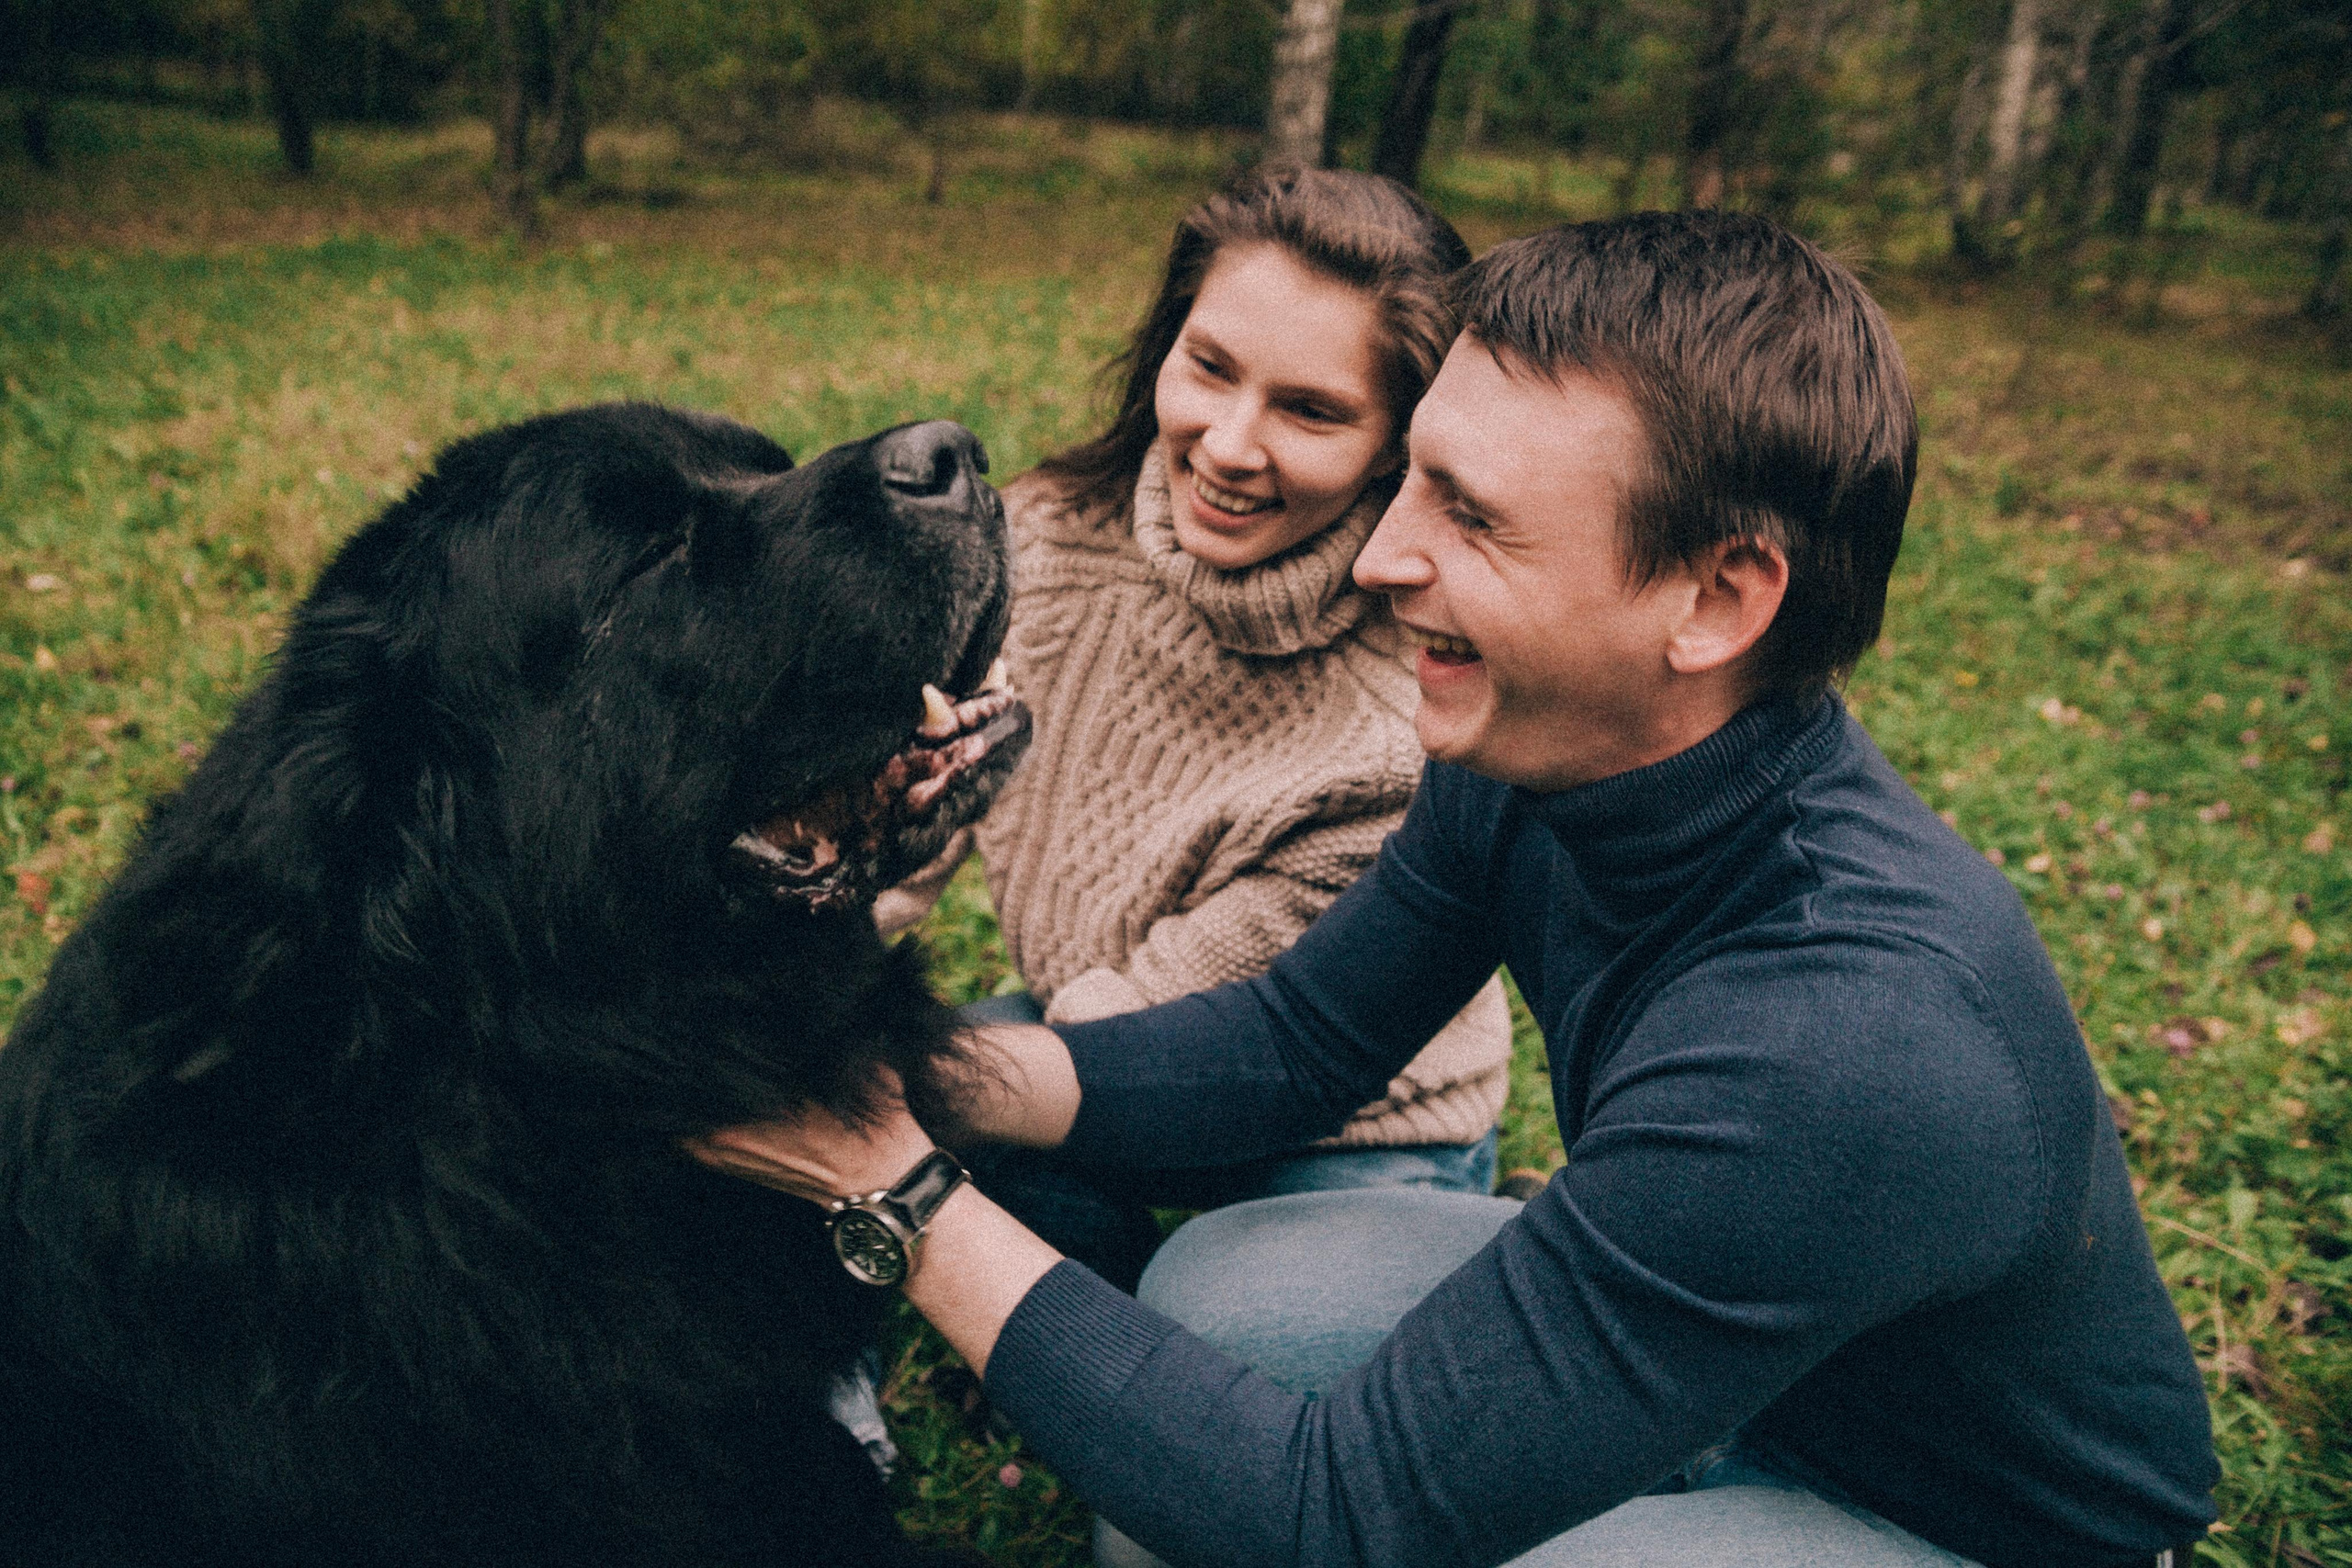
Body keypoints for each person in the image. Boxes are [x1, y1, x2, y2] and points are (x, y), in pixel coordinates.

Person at [695, 211, 2220, 1568]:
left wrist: (886, 1174)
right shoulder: (1542, 756)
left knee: (1277, 1509)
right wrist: (921, 1074)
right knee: (1221, 1287)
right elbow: (1291, 1047)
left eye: (1472, 517)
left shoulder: (1843, 1044)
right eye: (1412, 478)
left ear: (1717, 597)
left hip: (1943, 1513)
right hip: (1758, 1361)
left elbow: (1328, 1513)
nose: (1384, 558)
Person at [872, 163, 1514, 1292]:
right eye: (1208, 369)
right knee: (886, 1137)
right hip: (1084, 1038)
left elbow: (1181, 1029)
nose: (1227, 443)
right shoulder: (1050, 539)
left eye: (1311, 410)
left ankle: (1453, 1253)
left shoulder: (1406, 715)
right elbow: (907, 824)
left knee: (1217, 1330)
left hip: (1346, 1131)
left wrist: (905, 1082)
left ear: (1398, 443)